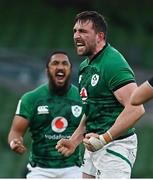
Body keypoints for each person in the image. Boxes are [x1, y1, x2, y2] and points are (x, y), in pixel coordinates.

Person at [56, 11, 145, 178]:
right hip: (93, 145)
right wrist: (74, 140)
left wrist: (104, 139)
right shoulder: (85, 66)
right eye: (75, 31)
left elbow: (136, 109)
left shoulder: (112, 63)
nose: (76, 36)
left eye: (83, 31)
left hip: (116, 146)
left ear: (100, 36)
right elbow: (92, 109)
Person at [8, 51, 84, 178]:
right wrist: (14, 142)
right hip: (40, 170)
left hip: (74, 169)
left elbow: (91, 127)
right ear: (47, 70)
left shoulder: (82, 98)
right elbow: (16, 131)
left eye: (65, 64)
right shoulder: (31, 98)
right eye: (55, 63)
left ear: (70, 70)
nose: (60, 67)